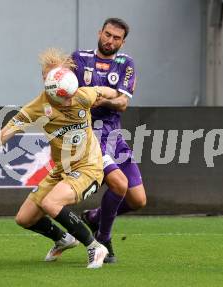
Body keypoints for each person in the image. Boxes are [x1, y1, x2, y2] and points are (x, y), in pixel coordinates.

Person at [0, 48, 119, 269]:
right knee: (24, 219)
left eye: (55, 75)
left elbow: (103, 91)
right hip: (61, 170)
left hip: (88, 167)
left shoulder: (81, 96)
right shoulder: (37, 107)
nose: (49, 80)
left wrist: (117, 96)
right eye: (46, 77)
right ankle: (63, 239)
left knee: (51, 202)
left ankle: (94, 246)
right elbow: (3, 135)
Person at [72, 18, 147, 263]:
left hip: (114, 136)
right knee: (119, 184)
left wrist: (102, 100)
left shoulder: (126, 64)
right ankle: (103, 238)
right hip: (88, 137)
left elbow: (122, 103)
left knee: (138, 200)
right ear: (100, 32)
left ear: (122, 42)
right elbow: (64, 91)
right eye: (107, 34)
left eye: (116, 37)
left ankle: (94, 218)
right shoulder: (80, 58)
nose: (110, 40)